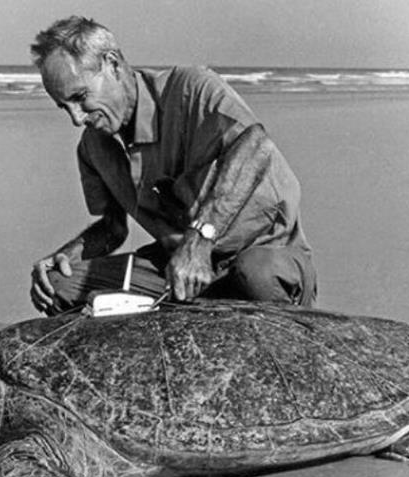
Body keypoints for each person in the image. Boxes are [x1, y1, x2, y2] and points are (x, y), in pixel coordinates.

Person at [29, 16, 316, 314]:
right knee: (57, 285)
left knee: (255, 273)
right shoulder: (93, 146)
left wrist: (200, 240)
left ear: (112, 64)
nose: (76, 119)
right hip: (175, 270)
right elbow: (113, 228)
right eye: (64, 106)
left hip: (263, 255)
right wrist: (69, 255)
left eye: (80, 97)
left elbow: (256, 145)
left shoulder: (191, 88)